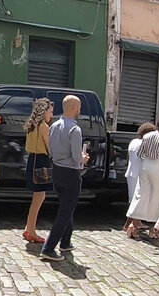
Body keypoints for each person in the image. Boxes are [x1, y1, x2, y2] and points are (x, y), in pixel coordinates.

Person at [39, 95, 89, 262]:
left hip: (58, 171)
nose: (80, 110)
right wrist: (83, 157)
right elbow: (76, 157)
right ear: (75, 108)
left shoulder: (54, 126)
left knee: (67, 207)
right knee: (66, 210)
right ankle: (48, 247)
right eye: (79, 107)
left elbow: (51, 151)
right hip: (71, 172)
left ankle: (65, 242)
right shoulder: (75, 129)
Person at [126, 115, 159, 239]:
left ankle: (133, 223)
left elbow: (140, 153)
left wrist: (147, 162)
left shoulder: (147, 136)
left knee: (141, 194)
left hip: (145, 165)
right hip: (158, 167)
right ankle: (155, 227)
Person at [22, 98, 54, 244]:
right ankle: (31, 231)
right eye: (50, 111)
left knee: (36, 197)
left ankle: (29, 227)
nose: (51, 115)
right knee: (39, 198)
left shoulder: (31, 125)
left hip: (32, 160)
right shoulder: (43, 126)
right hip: (41, 162)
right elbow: (49, 148)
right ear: (44, 111)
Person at [123, 122, 157, 234]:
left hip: (131, 172)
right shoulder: (144, 144)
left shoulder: (133, 142)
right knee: (137, 199)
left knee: (132, 198)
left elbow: (129, 157)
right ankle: (133, 223)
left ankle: (132, 223)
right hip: (139, 174)